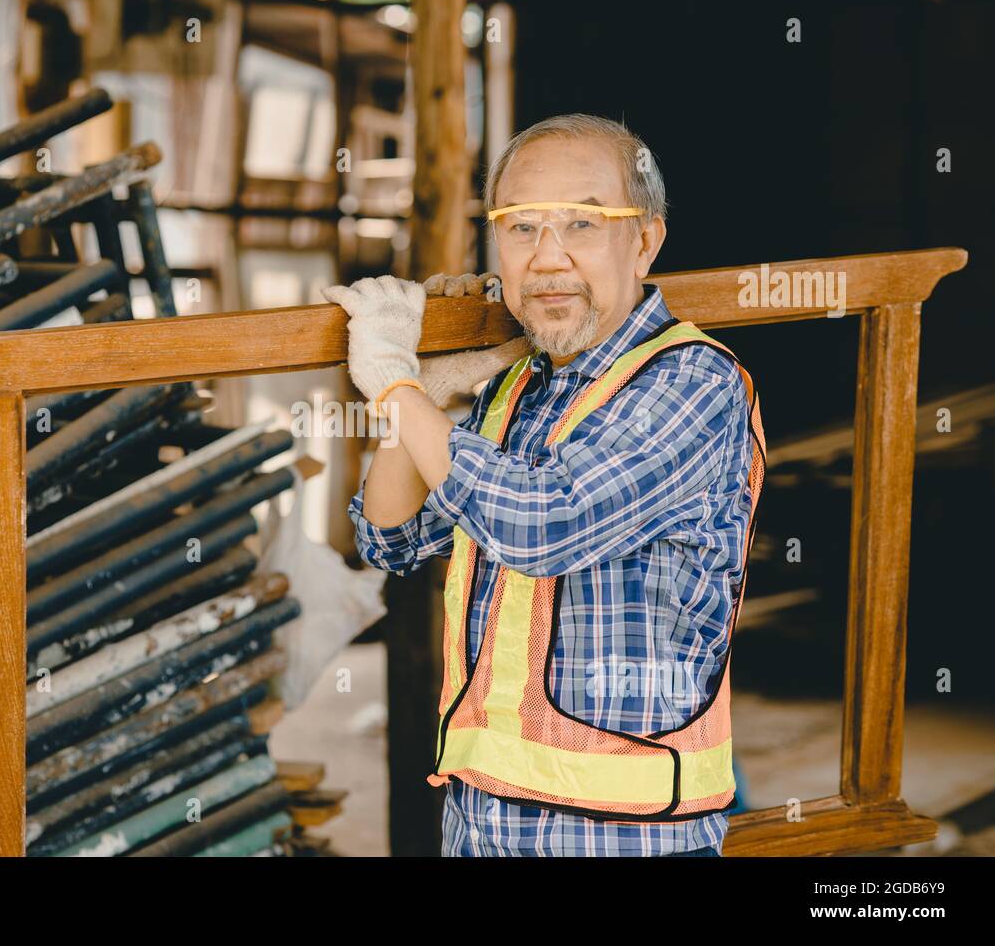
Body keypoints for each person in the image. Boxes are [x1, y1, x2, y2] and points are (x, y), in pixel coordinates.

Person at [327, 114, 765, 857]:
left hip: (625, 839)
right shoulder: (519, 386)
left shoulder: (692, 381)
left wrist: (394, 384)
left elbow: (542, 527)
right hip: (483, 826)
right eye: (521, 227)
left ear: (646, 241)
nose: (548, 258)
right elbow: (390, 536)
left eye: (583, 225)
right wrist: (429, 390)